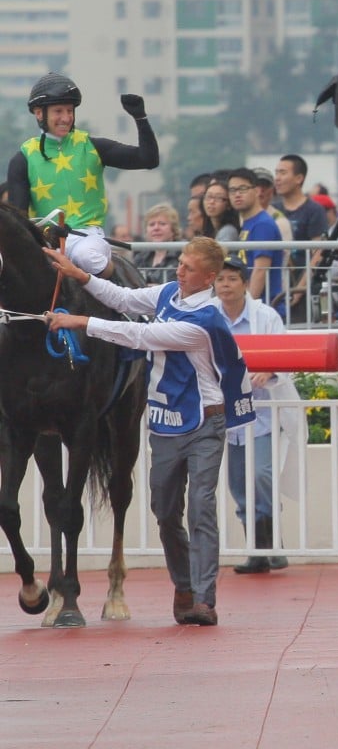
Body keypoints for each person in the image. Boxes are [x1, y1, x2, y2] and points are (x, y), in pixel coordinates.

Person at [43, 237, 255, 627]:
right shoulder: (170, 292)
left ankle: (204, 598)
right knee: (164, 511)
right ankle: (184, 585)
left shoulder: (205, 319)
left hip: (206, 422)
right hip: (167, 421)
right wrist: (79, 275)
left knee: (202, 509)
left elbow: (140, 336)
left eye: (189, 268)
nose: (179, 270)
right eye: (180, 263)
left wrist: (80, 321)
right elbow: (123, 298)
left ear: (209, 277)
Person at [8, 73, 159, 278]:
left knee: (86, 257)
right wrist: (44, 235)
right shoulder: (23, 158)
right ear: (38, 113)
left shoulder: (93, 146)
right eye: (58, 111)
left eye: (70, 111)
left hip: (87, 237)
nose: (66, 118)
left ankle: (119, 289)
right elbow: (20, 218)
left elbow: (148, 160)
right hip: (47, 241)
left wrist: (140, 119)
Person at [216, 255, 303, 573]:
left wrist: (269, 370)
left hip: (262, 411)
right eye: (220, 279)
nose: (225, 285)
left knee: (262, 474)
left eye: (232, 279)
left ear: (244, 282)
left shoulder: (265, 316)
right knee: (238, 484)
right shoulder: (210, 315)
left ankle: (271, 543)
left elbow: (284, 354)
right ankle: (257, 550)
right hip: (228, 415)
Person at [272, 155, 326, 318]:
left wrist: (298, 291)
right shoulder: (272, 209)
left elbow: (318, 253)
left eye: (283, 173)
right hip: (276, 287)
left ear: (299, 178)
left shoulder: (314, 210)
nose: (278, 179)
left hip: (302, 289)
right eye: (276, 173)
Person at [227, 168, 286, 315]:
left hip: (264, 309)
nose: (237, 194)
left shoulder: (262, 224)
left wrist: (247, 309)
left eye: (243, 189)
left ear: (256, 190)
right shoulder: (248, 223)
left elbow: (260, 270)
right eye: (232, 190)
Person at [132, 203, 183, 284]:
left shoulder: (183, 255)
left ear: (173, 229)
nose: (156, 228)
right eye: (151, 224)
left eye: (162, 224)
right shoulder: (140, 258)